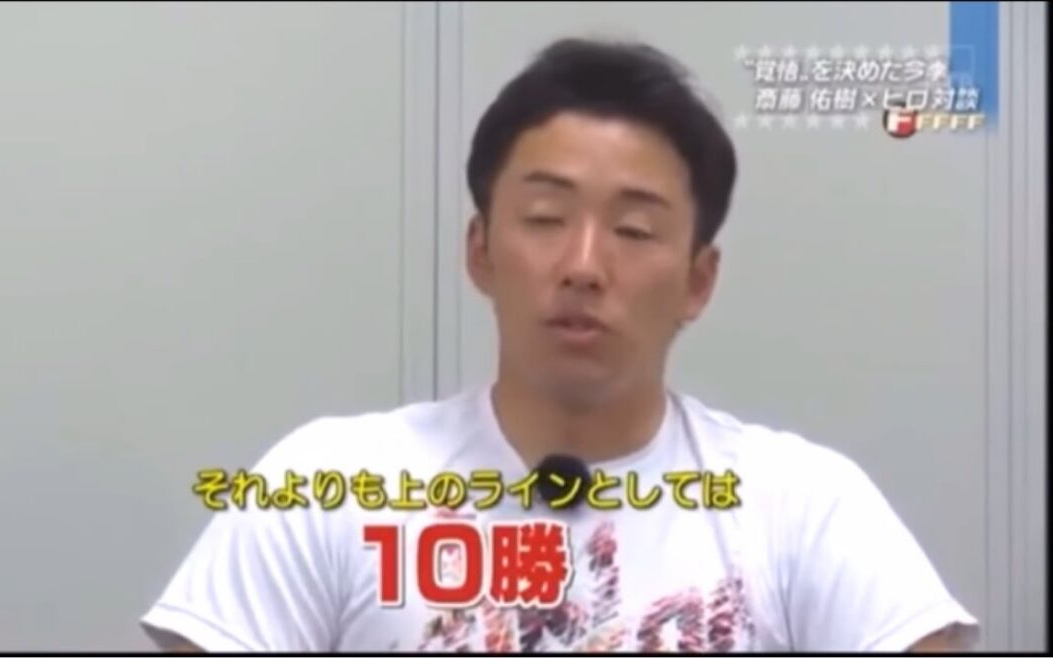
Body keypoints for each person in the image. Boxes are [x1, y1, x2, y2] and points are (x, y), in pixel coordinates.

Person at [140, 37, 979, 653]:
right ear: (480, 251)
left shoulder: (802, 506)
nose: (583, 265)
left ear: (698, 280)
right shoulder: (324, 488)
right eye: (545, 219)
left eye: (633, 230)